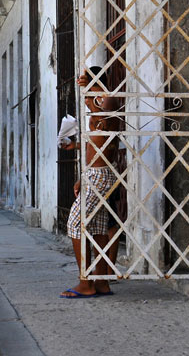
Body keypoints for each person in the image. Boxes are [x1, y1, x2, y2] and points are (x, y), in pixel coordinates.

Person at [58, 66, 119, 298]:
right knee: (98, 228)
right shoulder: (96, 108)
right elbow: (93, 149)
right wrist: (81, 178)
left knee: (75, 223)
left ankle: (86, 282)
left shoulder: (108, 100)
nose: (85, 100)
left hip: (101, 174)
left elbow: (107, 104)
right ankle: (101, 282)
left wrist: (92, 85)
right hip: (95, 174)